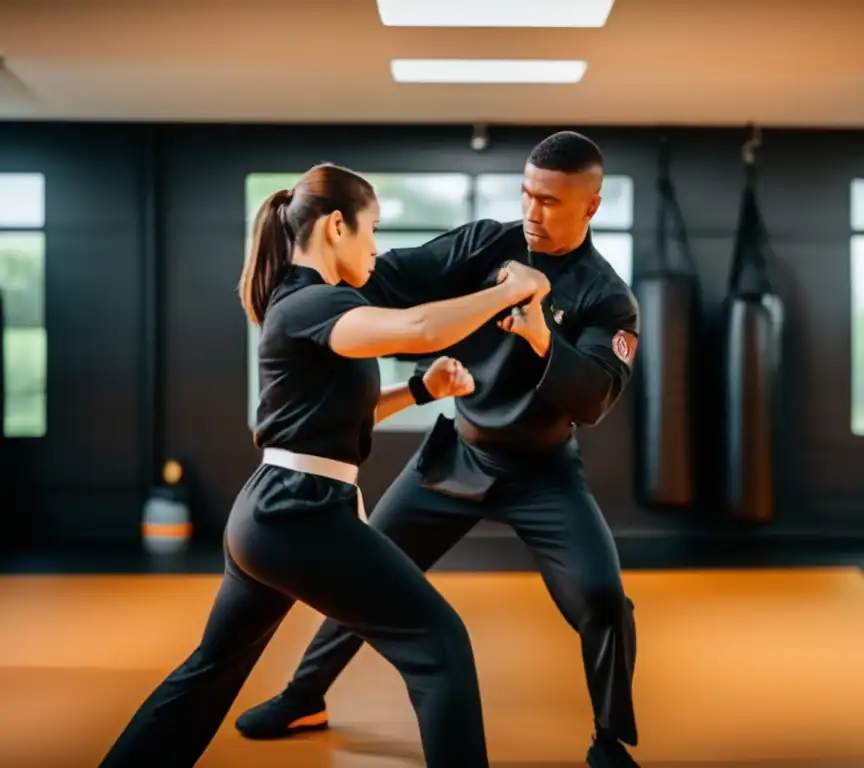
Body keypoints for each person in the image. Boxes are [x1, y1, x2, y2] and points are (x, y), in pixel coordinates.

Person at [98, 162, 552, 768]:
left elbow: (330, 416)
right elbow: (417, 327)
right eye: (373, 231)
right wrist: (511, 290)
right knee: (440, 643)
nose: (377, 248)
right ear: (337, 227)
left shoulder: (309, 304)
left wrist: (419, 392)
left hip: (276, 511)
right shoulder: (312, 301)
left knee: (208, 674)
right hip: (298, 514)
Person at [235, 132, 642, 768]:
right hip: (461, 452)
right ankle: (304, 694)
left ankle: (609, 740)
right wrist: (321, 283)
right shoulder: (487, 243)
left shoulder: (606, 296)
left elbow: (593, 399)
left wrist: (542, 340)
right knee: (369, 570)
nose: (532, 212)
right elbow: (392, 276)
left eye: (550, 202)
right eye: (527, 195)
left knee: (602, 597)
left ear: (589, 207)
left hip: (543, 470)